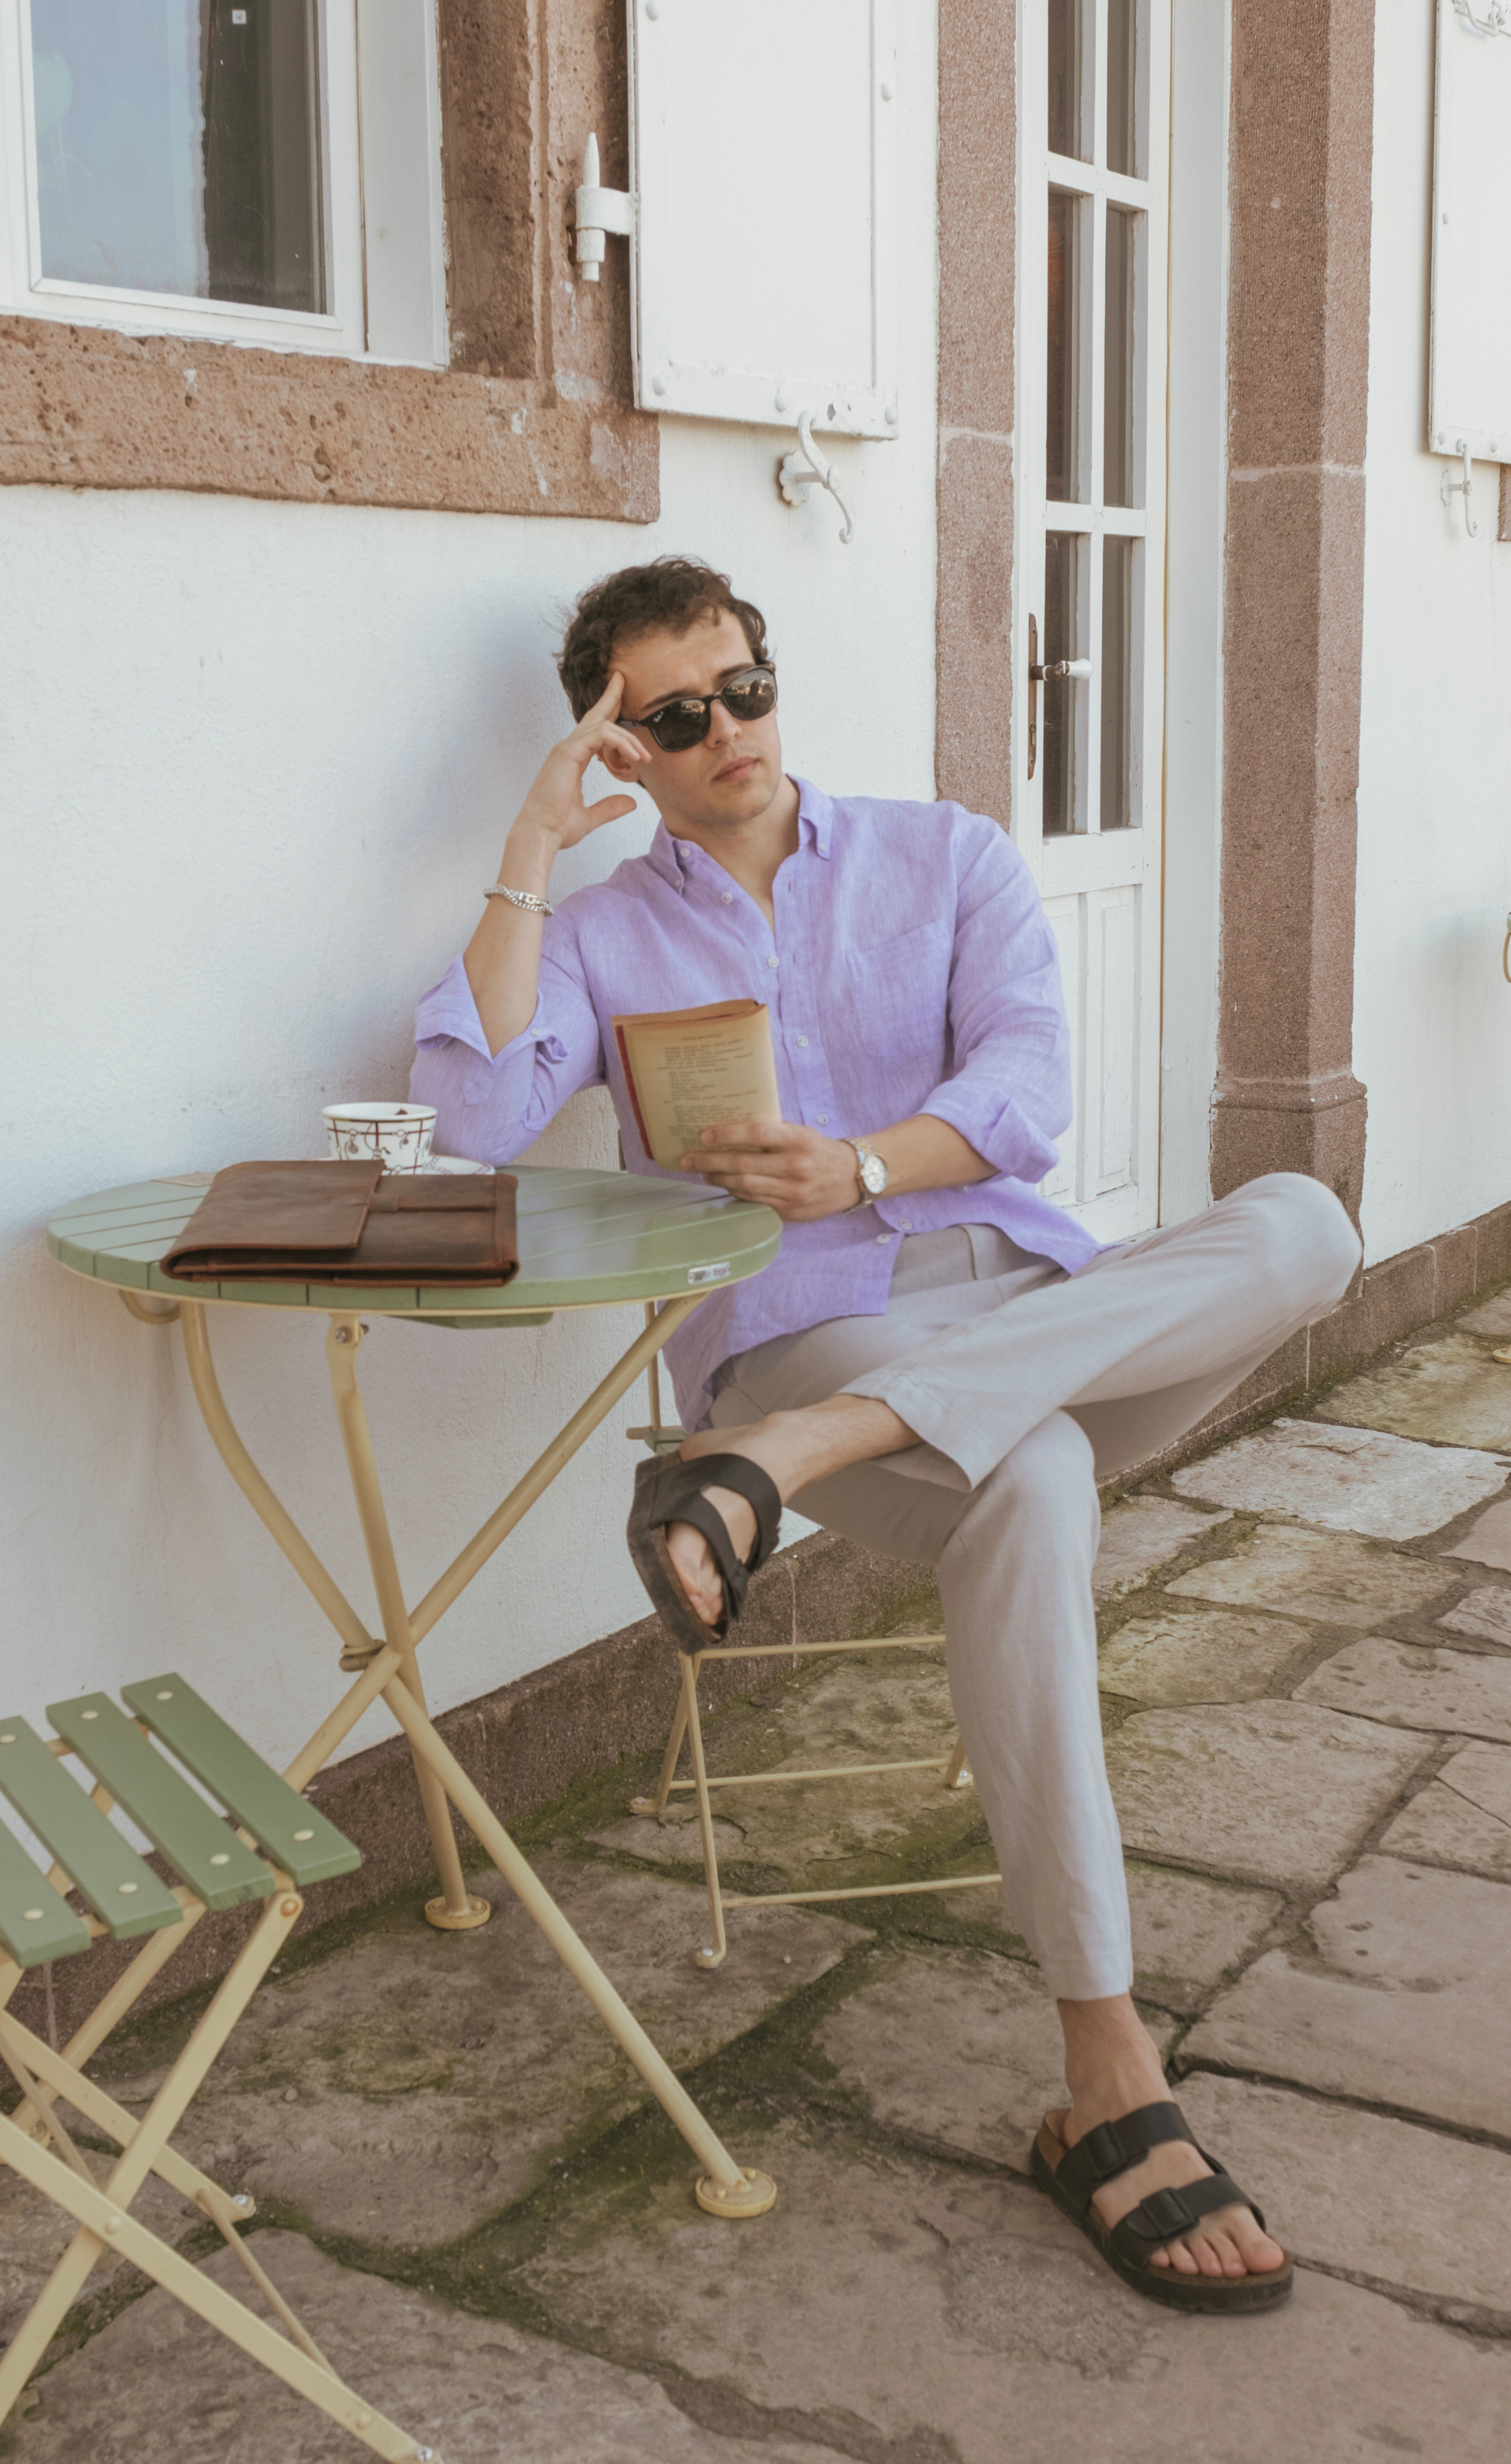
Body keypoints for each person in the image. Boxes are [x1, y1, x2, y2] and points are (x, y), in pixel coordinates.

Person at [410, 556, 1360, 2313]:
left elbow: (1024, 1102)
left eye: (741, 689)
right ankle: (1108, 2073)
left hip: (1017, 1298)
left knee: (1306, 1222)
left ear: (773, 681)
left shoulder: (951, 854)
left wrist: (856, 1163)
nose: (725, 735)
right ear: (622, 743)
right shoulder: (608, 928)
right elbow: (467, 1117)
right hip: (800, 1329)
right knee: (1041, 1469)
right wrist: (530, 850)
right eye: (670, 717)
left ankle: (788, 1468)